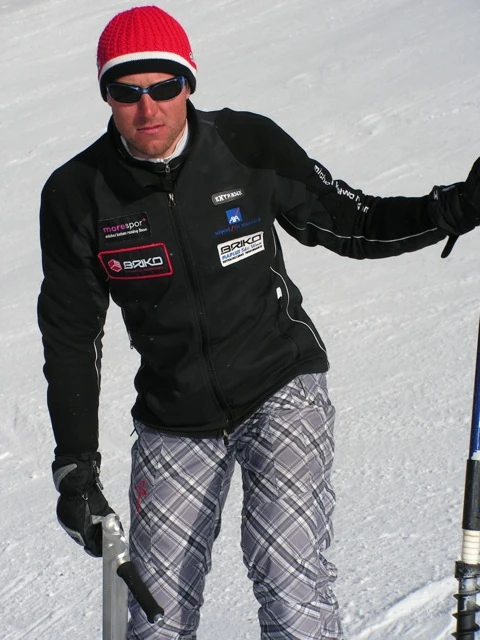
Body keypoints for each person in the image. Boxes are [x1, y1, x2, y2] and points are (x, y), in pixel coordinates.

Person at [37, 5, 479, 640]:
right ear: (106, 96)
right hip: (174, 415)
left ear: (189, 83)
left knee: (288, 579)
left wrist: (452, 209)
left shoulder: (246, 145)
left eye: (165, 86)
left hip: (280, 385)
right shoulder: (77, 193)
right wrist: (75, 465)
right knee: (156, 616)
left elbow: (351, 222)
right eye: (127, 92)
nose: (148, 107)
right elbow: (71, 334)